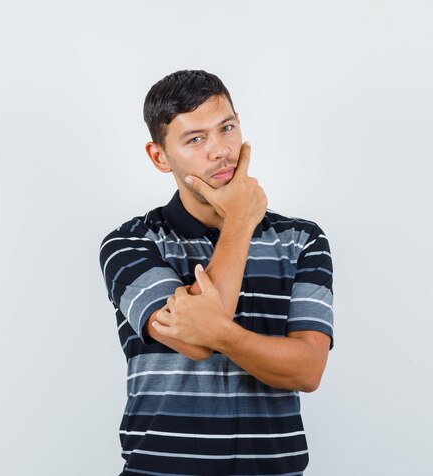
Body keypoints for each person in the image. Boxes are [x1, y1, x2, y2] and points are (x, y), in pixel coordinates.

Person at [98, 70, 334, 476]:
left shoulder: (302, 240)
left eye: (227, 128)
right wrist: (241, 220)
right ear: (159, 156)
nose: (221, 150)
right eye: (195, 139)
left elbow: (307, 369)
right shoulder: (132, 243)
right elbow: (194, 345)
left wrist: (218, 331)